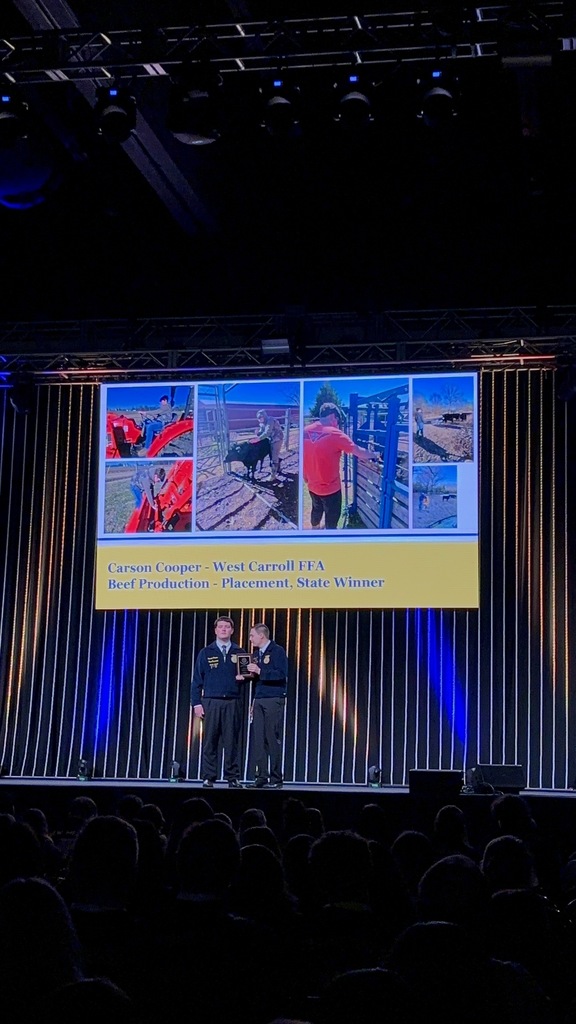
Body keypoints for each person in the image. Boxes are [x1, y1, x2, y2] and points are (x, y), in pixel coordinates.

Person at [302, 401, 380, 529]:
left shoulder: (305, 431)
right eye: (337, 420)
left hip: (312, 485)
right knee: (332, 516)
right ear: (333, 416)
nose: (337, 424)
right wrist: (375, 454)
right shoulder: (335, 434)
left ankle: (314, 530)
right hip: (331, 488)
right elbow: (358, 451)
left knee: (316, 508)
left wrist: (306, 477)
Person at [191, 615, 248, 789]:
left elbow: (247, 676)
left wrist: (245, 677)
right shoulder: (206, 652)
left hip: (232, 702)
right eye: (220, 627)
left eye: (227, 627)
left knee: (232, 742)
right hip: (210, 702)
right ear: (215, 630)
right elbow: (196, 681)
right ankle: (209, 777)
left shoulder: (240, 652)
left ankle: (233, 777)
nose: (223, 629)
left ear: (232, 630)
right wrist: (197, 703)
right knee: (210, 741)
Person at [246, 623, 288, 789]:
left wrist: (260, 671)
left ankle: (276, 778)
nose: (250, 639)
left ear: (261, 636)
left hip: (274, 698)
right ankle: (261, 777)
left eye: (252, 636)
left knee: (272, 738)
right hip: (259, 699)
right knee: (258, 739)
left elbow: (281, 674)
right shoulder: (256, 654)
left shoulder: (277, 651)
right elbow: (256, 677)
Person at [255, 409, 284, 482]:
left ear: (264, 416)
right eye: (258, 418)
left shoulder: (270, 420)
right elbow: (262, 432)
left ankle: (273, 476)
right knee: (273, 455)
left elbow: (267, 432)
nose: (259, 419)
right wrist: (258, 433)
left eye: (260, 417)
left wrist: (258, 439)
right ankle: (278, 467)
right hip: (271, 439)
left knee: (274, 457)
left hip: (277, 439)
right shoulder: (262, 423)